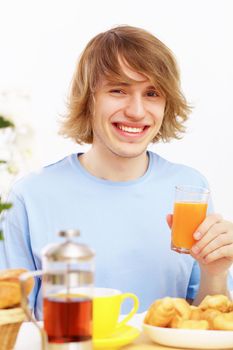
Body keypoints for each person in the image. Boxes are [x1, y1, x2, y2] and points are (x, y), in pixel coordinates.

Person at [2, 25, 233, 320]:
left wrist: (215, 272)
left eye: (152, 93)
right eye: (118, 90)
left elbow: (205, 321)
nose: (137, 111)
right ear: (89, 99)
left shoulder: (189, 186)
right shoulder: (30, 196)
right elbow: (9, 322)